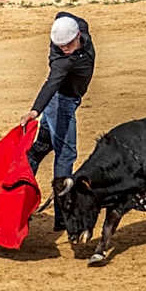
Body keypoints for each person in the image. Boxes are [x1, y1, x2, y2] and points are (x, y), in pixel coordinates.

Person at [20, 12, 96, 230]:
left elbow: (62, 14)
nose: (64, 48)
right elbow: (51, 84)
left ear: (78, 34)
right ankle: (63, 217)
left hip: (62, 102)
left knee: (40, 148)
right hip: (61, 104)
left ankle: (20, 196)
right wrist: (35, 111)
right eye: (60, 45)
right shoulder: (62, 62)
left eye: (68, 44)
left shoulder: (80, 25)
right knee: (66, 155)